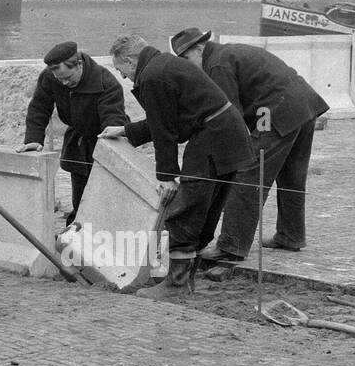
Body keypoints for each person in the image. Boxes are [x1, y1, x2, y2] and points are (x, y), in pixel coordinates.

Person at [100, 35, 253, 300]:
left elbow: (164, 132)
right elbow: (168, 120)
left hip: (211, 137)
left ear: (129, 60)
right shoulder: (164, 65)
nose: (123, 77)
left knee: (184, 209)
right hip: (230, 134)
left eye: (120, 69)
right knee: (206, 209)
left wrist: (167, 177)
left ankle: (177, 284)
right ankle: (186, 279)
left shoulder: (152, 77)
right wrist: (125, 130)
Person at [170, 28, 328, 266]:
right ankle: (291, 235)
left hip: (275, 111)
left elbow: (228, 115)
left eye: (186, 58)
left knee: (249, 174)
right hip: (303, 105)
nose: (187, 66)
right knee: (292, 178)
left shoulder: (217, 66)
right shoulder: (227, 53)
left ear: (199, 49)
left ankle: (230, 247)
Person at [17, 41, 129, 224]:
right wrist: (34, 139)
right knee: (80, 198)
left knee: (105, 197)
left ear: (79, 64)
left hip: (105, 139)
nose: (65, 83)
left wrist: (110, 149)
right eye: (60, 79)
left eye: (68, 78)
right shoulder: (50, 77)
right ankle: (78, 230)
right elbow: (39, 108)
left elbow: (113, 119)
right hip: (78, 142)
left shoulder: (105, 81)